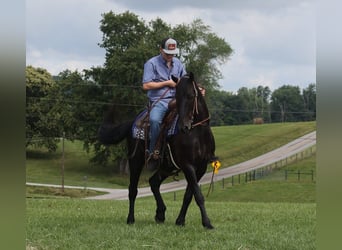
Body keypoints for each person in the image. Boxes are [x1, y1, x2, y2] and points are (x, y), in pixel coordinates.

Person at [142, 37, 187, 166]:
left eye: (172, 54)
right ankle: (152, 152)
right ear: (161, 49)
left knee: (193, 114)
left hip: (177, 99)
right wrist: (166, 83)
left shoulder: (178, 63)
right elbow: (146, 86)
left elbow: (184, 80)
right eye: (167, 53)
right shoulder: (151, 63)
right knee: (155, 120)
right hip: (159, 100)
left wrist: (193, 86)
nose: (170, 56)